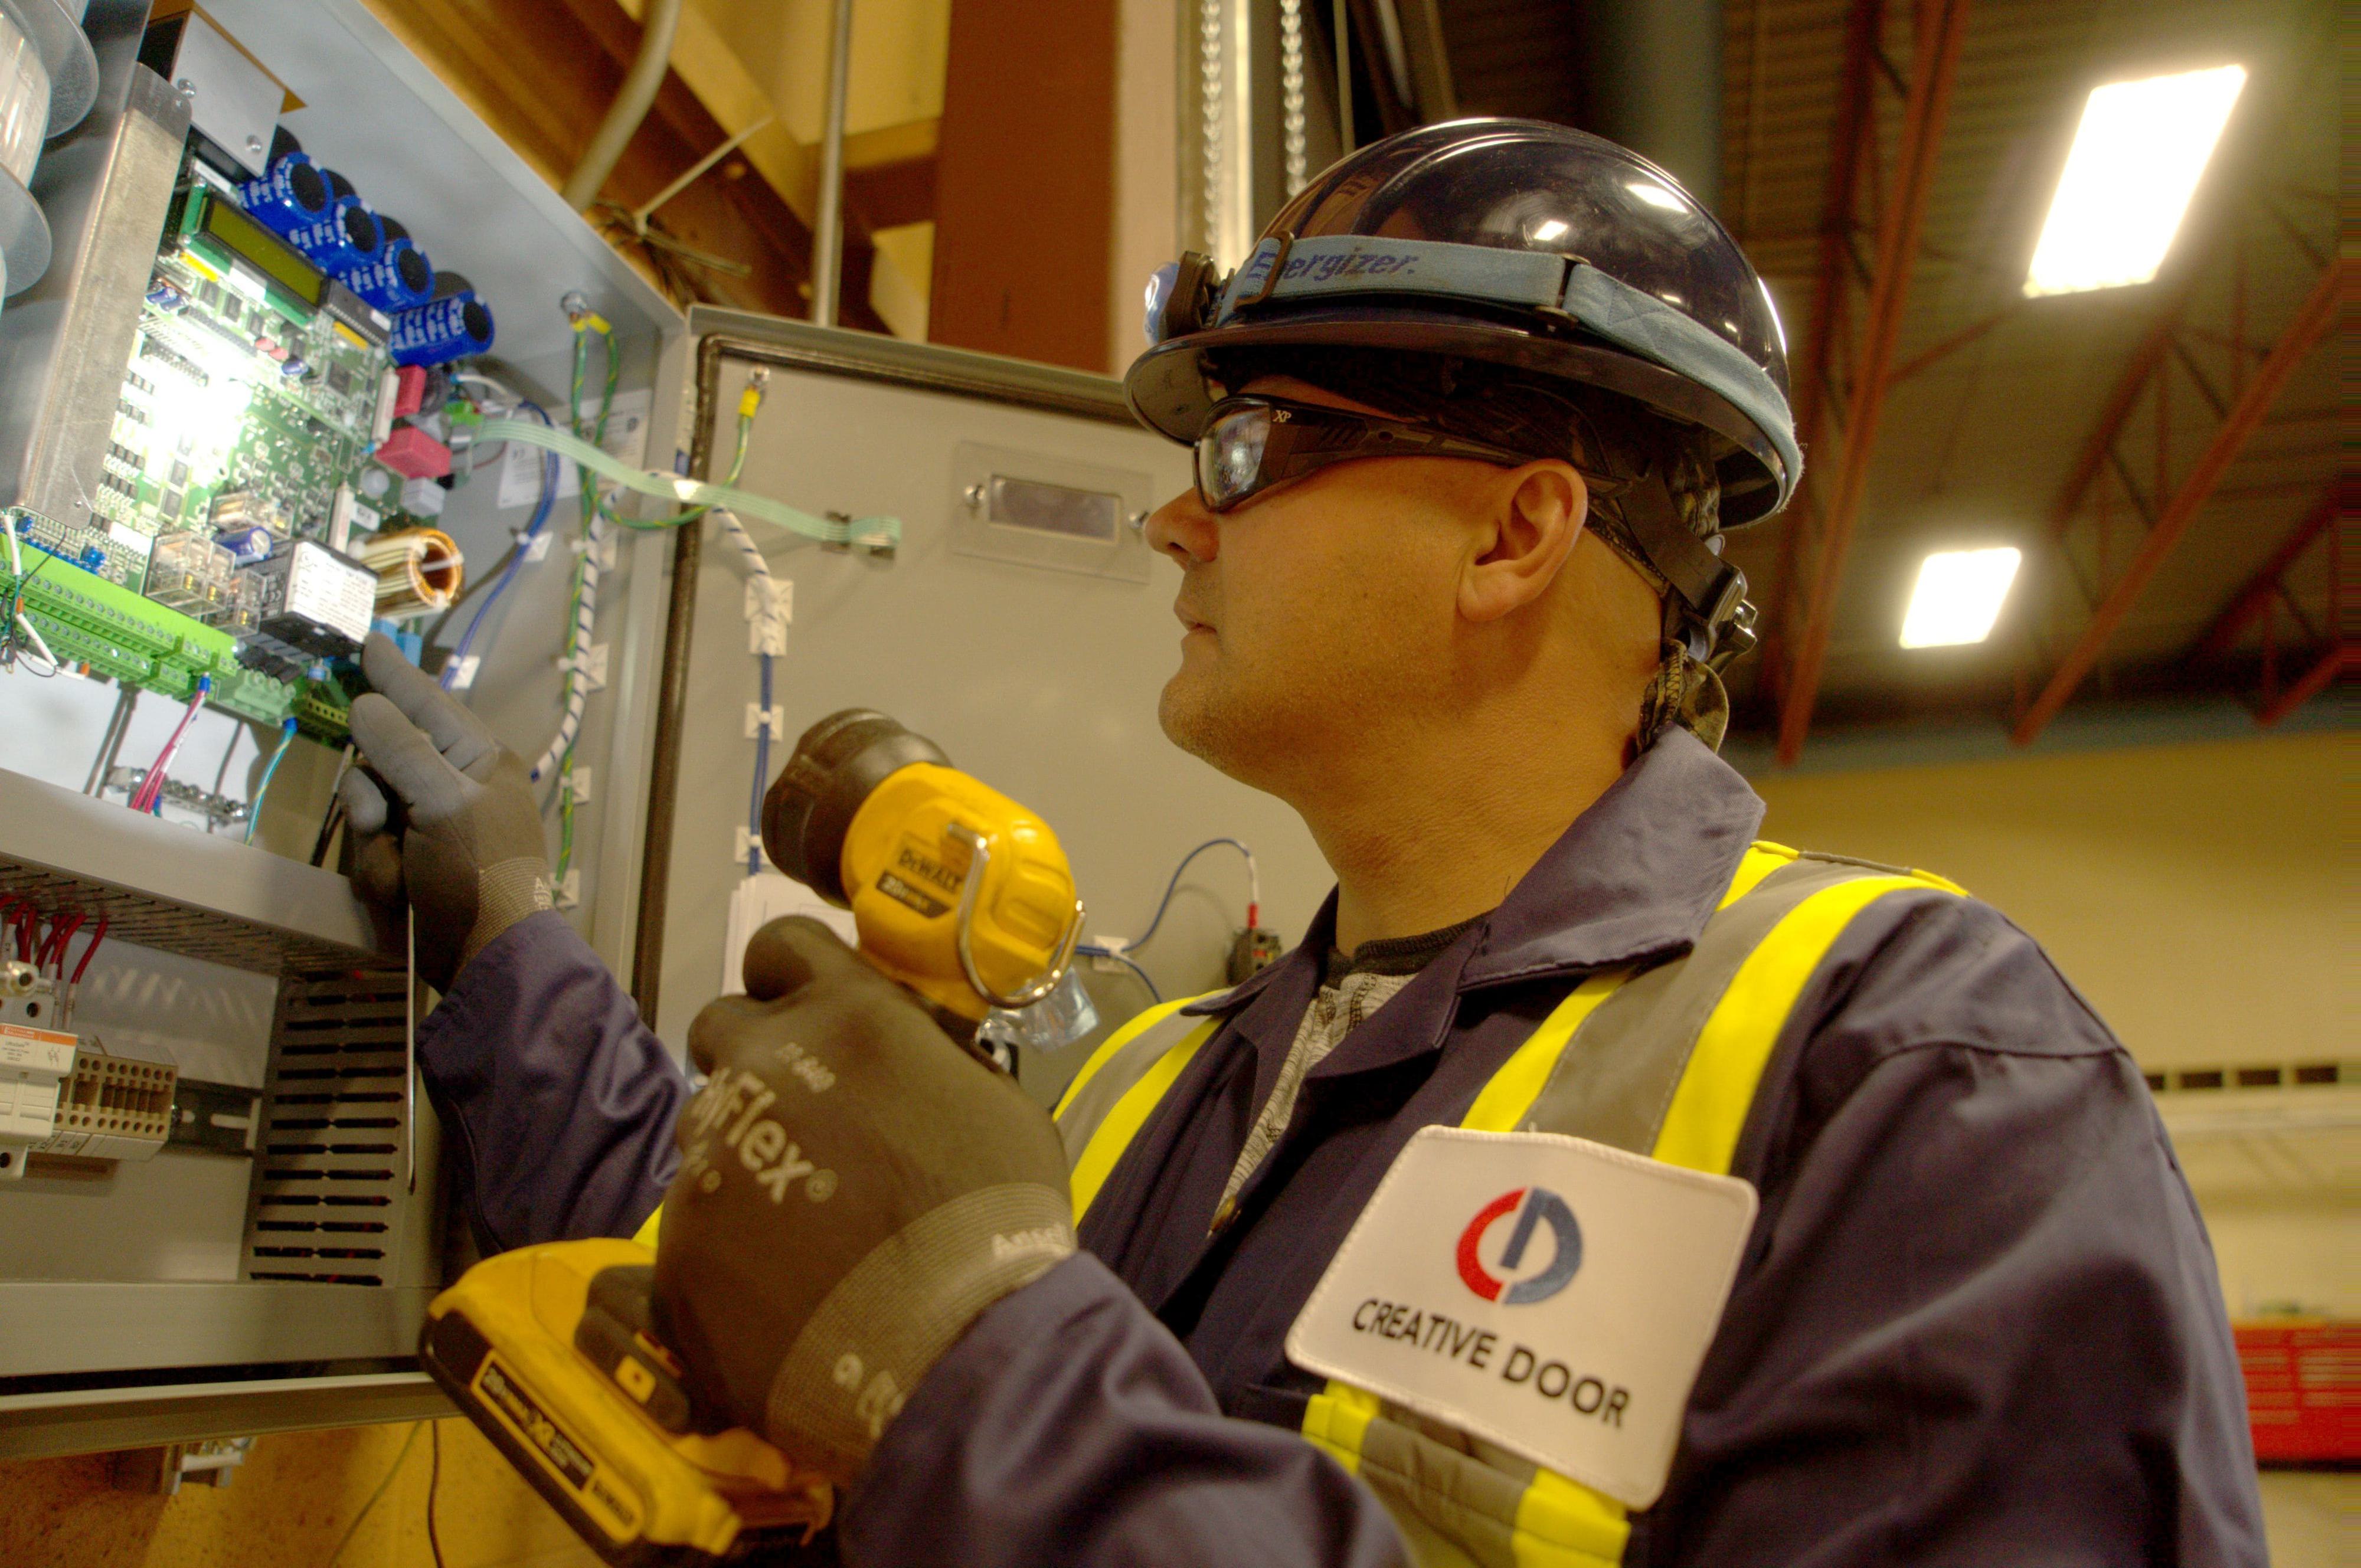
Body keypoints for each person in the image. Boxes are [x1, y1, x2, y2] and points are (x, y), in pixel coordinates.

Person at [342, 120, 2265, 1566]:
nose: (1178, 525)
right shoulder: (1156, 1074)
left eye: (1249, 454)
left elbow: (946, 1340)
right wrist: (507, 928)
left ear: (1516, 536)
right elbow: (738, 1258)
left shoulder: (1920, 1083)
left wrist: (983, 1371)